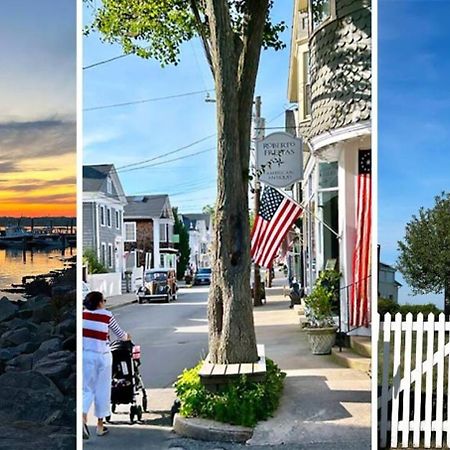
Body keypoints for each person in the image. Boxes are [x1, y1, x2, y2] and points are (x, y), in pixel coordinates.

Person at [82, 291, 130, 439]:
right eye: (104, 300)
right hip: (102, 356)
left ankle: (82, 417)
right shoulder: (106, 315)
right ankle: (100, 426)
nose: (105, 303)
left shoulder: (82, 315)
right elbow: (121, 335)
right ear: (99, 303)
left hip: (86, 355)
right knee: (102, 390)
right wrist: (128, 336)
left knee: (86, 389)